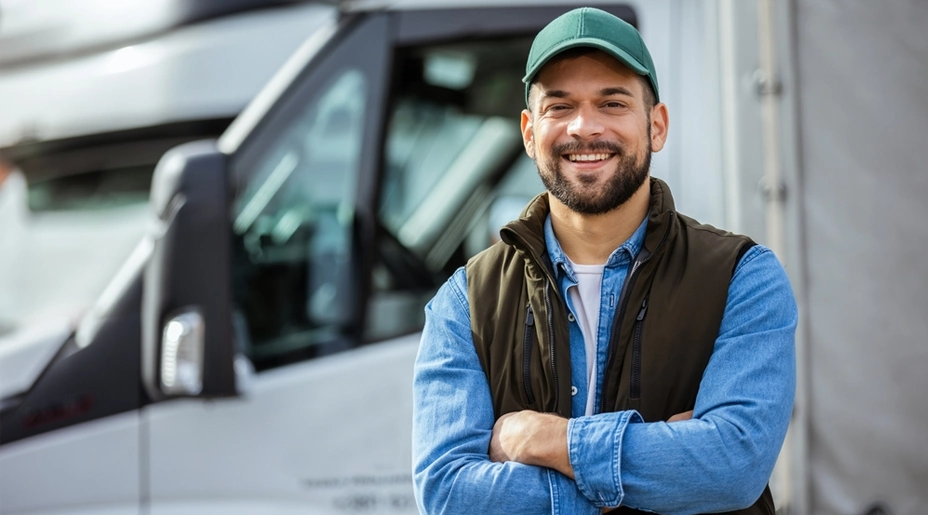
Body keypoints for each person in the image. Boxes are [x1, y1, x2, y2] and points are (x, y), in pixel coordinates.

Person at [411, 7, 796, 515]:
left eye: (612, 102)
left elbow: (732, 466)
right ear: (529, 132)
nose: (584, 127)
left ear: (656, 126)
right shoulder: (466, 301)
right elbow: (448, 494)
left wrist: (543, 440)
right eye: (560, 105)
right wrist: (649, 475)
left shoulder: (743, 278)